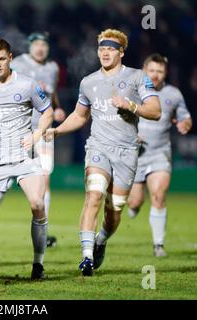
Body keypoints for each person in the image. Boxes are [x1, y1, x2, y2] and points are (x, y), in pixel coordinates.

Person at [45, 29, 161, 276]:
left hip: (127, 152)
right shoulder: (88, 81)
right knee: (94, 196)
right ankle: (86, 257)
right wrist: (57, 131)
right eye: (102, 48)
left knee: (114, 211)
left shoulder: (139, 77)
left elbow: (155, 110)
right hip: (98, 147)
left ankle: (101, 240)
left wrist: (131, 105)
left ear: (121, 52)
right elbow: (79, 115)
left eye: (110, 48)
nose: (105, 52)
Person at [0, 38, 54, 280]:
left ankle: (38, 265)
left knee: (38, 204)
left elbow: (47, 112)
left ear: (10, 58)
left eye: (2, 59)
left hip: (26, 157)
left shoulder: (27, 84)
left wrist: (36, 134)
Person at [0, 31, 66, 249]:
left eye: (44, 45)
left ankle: (43, 233)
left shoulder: (53, 67)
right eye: (36, 44)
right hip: (11, 134)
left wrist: (57, 108)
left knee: (43, 181)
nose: (40, 48)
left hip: (42, 131)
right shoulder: (17, 64)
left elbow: (50, 95)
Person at [127, 53, 193, 257]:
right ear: (144, 70)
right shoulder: (132, 91)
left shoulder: (173, 94)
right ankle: (135, 206)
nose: (155, 75)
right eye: (152, 70)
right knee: (134, 201)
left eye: (160, 71)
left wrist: (185, 124)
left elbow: (185, 117)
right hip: (135, 155)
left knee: (158, 195)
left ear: (166, 73)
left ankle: (158, 245)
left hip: (159, 153)